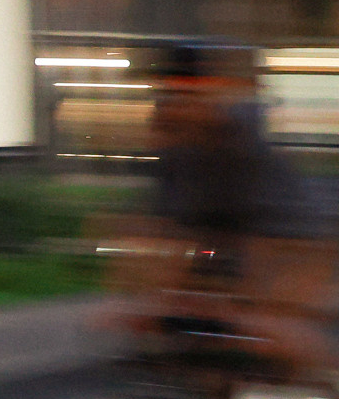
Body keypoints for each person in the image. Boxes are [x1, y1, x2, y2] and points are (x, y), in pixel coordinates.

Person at [109, 41, 334, 381]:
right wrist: (162, 297)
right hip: (229, 242)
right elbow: (165, 230)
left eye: (184, 97)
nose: (169, 109)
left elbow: (277, 241)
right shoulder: (172, 149)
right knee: (207, 330)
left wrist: (254, 307)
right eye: (166, 97)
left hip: (298, 239)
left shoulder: (246, 143)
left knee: (279, 332)